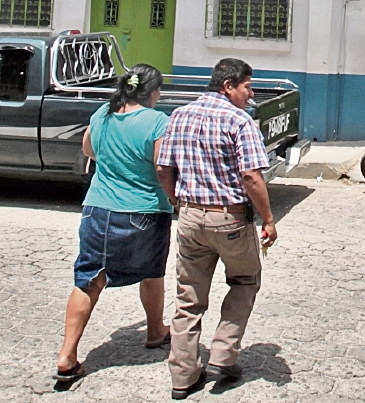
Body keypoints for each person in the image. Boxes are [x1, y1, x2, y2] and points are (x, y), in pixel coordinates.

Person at [156, 58, 276, 400]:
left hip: (190, 218)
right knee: (245, 280)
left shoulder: (178, 116)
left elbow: (163, 167)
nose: (249, 94)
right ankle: (223, 356)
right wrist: (268, 219)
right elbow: (251, 176)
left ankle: (182, 375)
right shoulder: (239, 121)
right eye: (246, 87)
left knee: (188, 297)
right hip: (231, 219)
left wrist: (176, 201)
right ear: (228, 86)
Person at [54, 64, 175, 382]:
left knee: (89, 278)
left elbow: (87, 148)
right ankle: (155, 331)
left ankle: (67, 354)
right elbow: (163, 166)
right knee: (152, 271)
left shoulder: (102, 114)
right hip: (145, 211)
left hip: (97, 209)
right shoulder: (157, 121)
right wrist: (174, 197)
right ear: (151, 93)